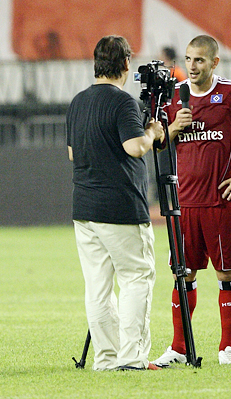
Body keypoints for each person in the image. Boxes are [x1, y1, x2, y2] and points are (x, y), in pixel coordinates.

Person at [153, 35, 231, 366]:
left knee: (226, 274)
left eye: (200, 61)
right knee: (185, 274)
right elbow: (159, 145)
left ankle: (227, 347)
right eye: (189, 59)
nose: (192, 66)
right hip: (185, 204)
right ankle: (178, 348)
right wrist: (174, 128)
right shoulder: (174, 99)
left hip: (220, 202)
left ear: (214, 63)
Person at [66, 35, 165, 371]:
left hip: (85, 209)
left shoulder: (78, 102)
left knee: (98, 288)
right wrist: (153, 132)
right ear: (125, 63)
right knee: (137, 278)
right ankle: (133, 357)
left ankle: (106, 359)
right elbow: (136, 147)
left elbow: (71, 153)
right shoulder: (124, 103)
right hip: (121, 208)